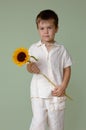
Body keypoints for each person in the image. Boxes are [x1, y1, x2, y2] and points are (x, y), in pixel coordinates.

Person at [27, 9, 72, 130]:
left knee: (57, 125)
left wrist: (63, 86)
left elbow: (67, 68)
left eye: (49, 28)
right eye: (42, 28)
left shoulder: (61, 50)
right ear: (38, 30)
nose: (46, 32)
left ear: (56, 28)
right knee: (38, 124)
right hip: (38, 93)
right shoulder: (33, 48)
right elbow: (29, 66)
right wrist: (31, 68)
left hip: (56, 93)